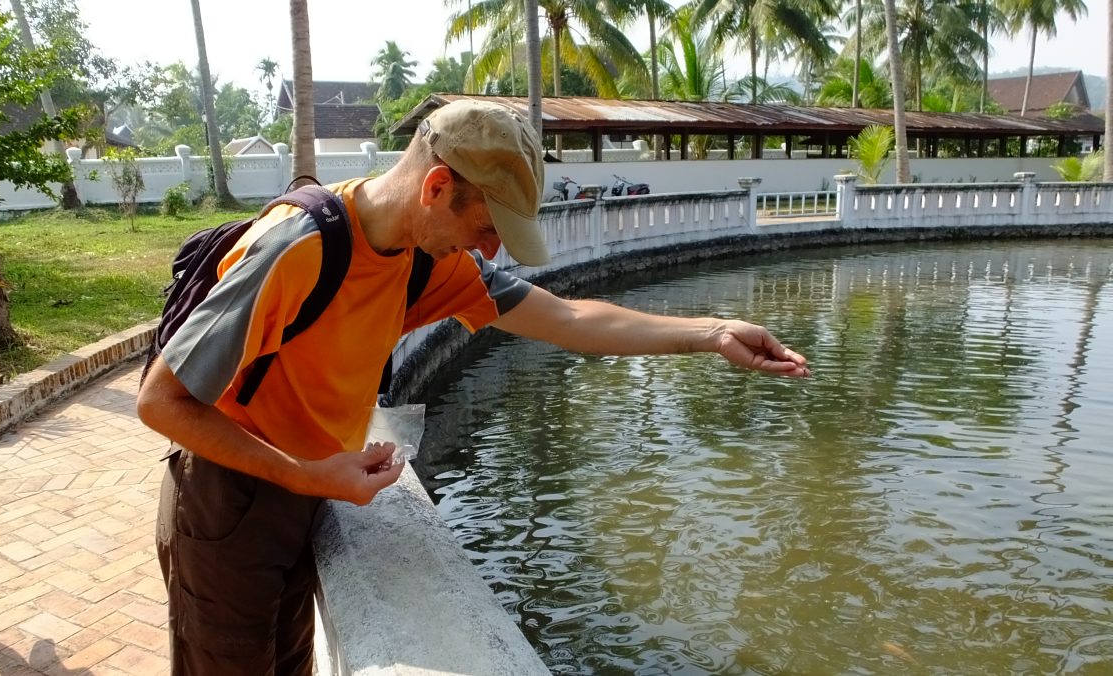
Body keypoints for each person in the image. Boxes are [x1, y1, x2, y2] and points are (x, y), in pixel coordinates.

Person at [136, 99, 810, 676]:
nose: (488, 251)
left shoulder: (426, 265)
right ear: (435, 189)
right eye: (485, 227)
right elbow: (162, 402)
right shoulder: (298, 250)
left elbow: (570, 317)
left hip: (304, 491)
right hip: (230, 498)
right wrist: (306, 475)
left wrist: (712, 330)